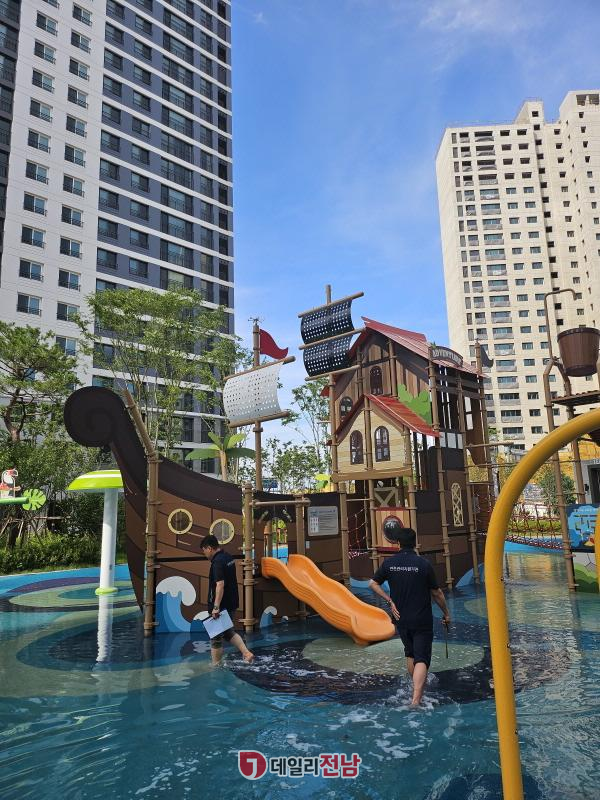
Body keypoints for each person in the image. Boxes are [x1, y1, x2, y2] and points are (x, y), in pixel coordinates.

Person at [369, 523, 450, 707]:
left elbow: (372, 583)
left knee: (411, 653)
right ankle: (416, 700)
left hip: (401, 618)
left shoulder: (389, 563)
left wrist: (389, 600)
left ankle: (414, 689)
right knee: (422, 658)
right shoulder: (423, 564)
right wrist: (446, 613)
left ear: (398, 543)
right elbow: (437, 593)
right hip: (421, 618)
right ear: (415, 543)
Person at [200, 535, 254, 664]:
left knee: (215, 638)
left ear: (209, 548)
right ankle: (246, 653)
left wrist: (216, 607)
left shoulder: (217, 562)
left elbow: (220, 584)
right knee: (228, 632)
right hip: (231, 602)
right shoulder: (228, 557)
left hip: (221, 605)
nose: (204, 553)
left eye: (204, 550)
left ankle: (216, 666)